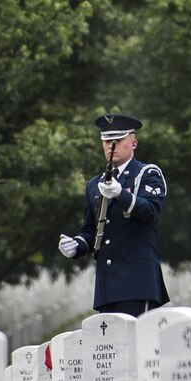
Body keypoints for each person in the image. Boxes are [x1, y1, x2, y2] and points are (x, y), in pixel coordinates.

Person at [58, 113, 169, 314]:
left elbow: (151, 211)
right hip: (107, 286)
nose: (111, 145)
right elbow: (91, 230)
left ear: (133, 143)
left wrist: (121, 195)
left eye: (117, 140)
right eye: (107, 141)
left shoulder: (147, 174)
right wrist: (77, 245)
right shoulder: (94, 184)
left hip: (137, 283)